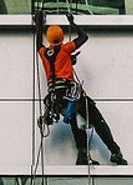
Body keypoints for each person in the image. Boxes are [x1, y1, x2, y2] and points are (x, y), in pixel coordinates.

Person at [35, 12, 127, 166]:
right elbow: (84, 37)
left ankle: (83, 156)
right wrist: (73, 23)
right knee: (97, 120)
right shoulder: (65, 49)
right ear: (62, 38)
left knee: (75, 122)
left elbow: (38, 44)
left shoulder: (44, 53)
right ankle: (115, 152)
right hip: (70, 93)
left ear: (49, 39)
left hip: (56, 99)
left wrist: (39, 24)